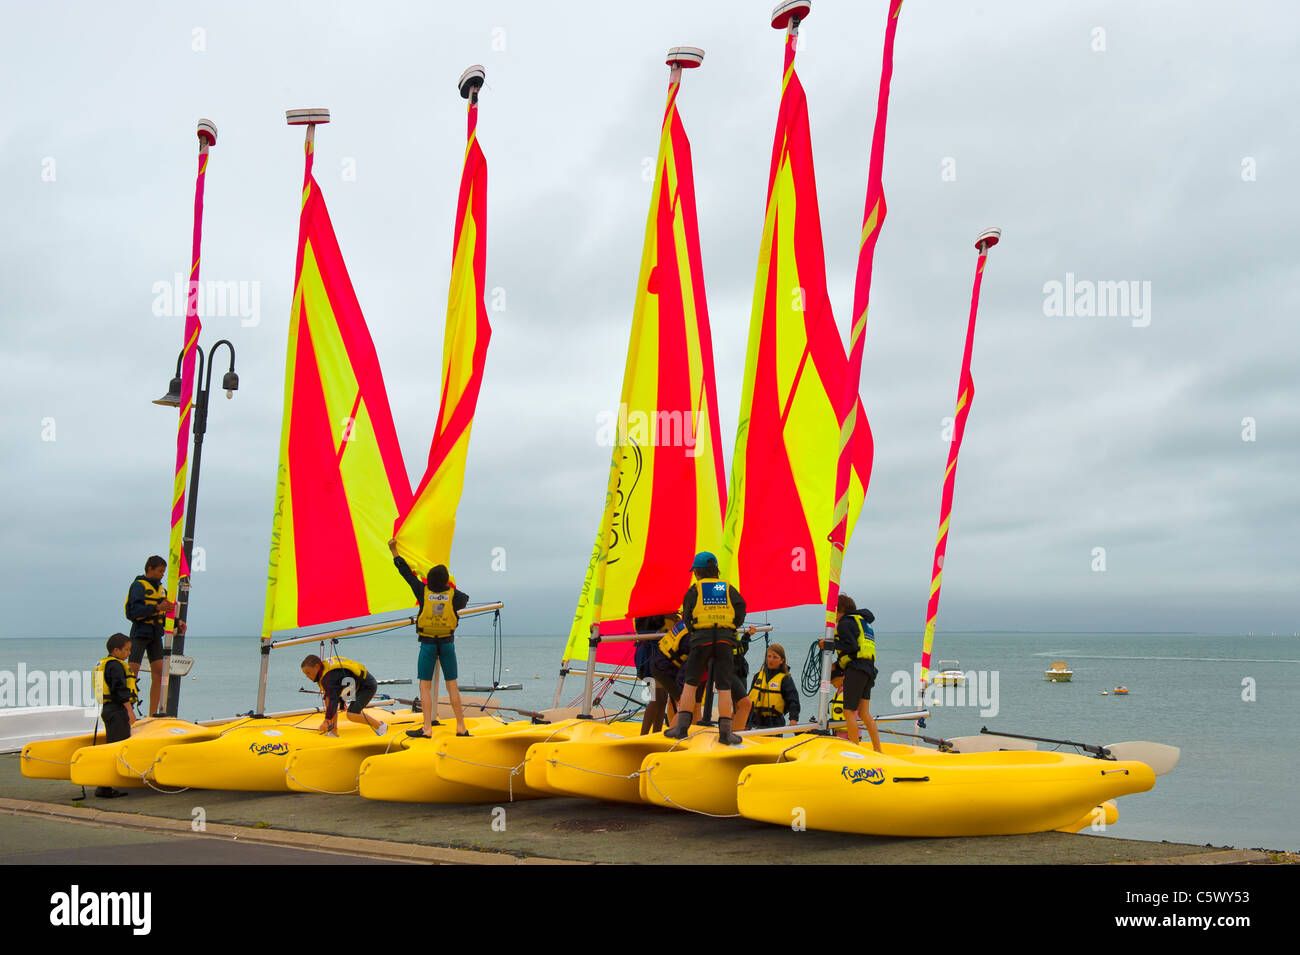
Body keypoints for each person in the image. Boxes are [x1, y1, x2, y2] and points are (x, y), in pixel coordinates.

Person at [390, 539, 470, 738]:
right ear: (445, 581)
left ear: (428, 580)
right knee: (452, 684)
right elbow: (464, 599)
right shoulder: (454, 596)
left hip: (427, 645)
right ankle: (461, 726)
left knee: (424, 686)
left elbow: (406, 573)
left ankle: (427, 728)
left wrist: (394, 551)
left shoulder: (422, 590)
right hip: (447, 644)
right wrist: (448, 587)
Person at [665, 552, 747, 745]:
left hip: (701, 640)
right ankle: (725, 734)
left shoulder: (695, 590)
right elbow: (741, 607)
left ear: (697, 572)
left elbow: (686, 616)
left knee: (690, 683)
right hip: (725, 642)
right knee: (724, 687)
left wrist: (696, 632)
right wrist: (731, 626)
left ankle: (681, 728)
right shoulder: (726, 588)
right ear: (716, 571)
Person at [820, 594, 881, 752]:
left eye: (834, 612)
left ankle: (856, 750)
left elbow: (851, 646)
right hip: (868, 668)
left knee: (849, 711)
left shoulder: (845, 623)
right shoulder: (861, 621)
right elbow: (856, 648)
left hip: (857, 670)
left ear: (840, 610)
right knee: (864, 713)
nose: (833, 617)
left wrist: (828, 644)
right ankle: (878, 750)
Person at [124, 555, 183, 716]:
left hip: (155, 635)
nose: (162, 574)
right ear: (149, 569)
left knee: (159, 672)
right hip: (139, 633)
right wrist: (157, 607)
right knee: (132, 672)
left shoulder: (161, 589)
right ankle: (128, 711)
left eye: (164, 572)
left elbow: (162, 614)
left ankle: (153, 713)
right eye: (160, 571)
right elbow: (133, 612)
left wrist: (177, 622)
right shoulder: (138, 586)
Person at [92, 633, 137, 798]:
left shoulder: (105, 664)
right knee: (116, 748)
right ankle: (104, 786)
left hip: (108, 709)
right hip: (117, 710)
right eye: (126, 650)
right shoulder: (116, 666)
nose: (129, 653)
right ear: (116, 650)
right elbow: (119, 689)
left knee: (112, 745)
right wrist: (130, 711)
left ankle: (105, 784)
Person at [299, 654, 387, 737]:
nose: (307, 676)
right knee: (327, 699)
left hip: (367, 686)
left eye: (308, 673)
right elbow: (340, 681)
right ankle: (333, 732)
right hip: (355, 684)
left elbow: (334, 699)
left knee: (351, 714)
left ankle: (380, 726)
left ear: (317, 667)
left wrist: (327, 720)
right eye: (305, 674)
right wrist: (342, 701)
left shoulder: (327, 678)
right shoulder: (325, 672)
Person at [747, 643, 800, 730]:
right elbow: (750, 698)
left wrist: (793, 719)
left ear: (782, 660)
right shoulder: (758, 676)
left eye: (775, 657)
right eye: (769, 656)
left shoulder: (785, 679)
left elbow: (793, 700)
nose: (771, 660)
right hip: (755, 722)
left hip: (775, 723)